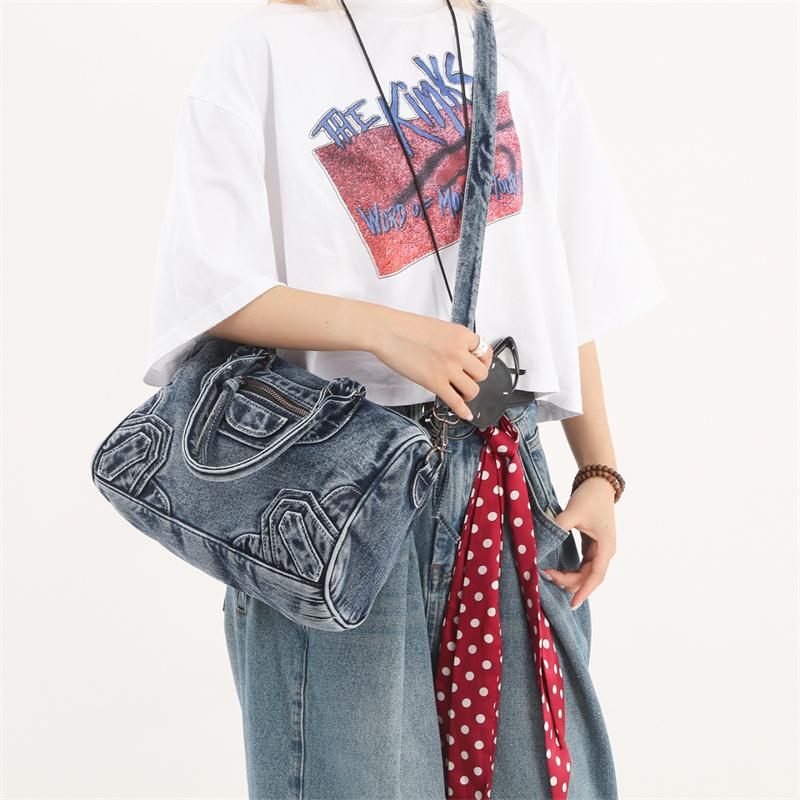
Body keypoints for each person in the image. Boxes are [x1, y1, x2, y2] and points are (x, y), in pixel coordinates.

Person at [142, 0, 665, 797]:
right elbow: (207, 290)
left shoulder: (520, 45)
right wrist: (386, 333)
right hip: (336, 494)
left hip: (505, 477)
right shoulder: (262, 50)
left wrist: (599, 469)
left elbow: (565, 277)